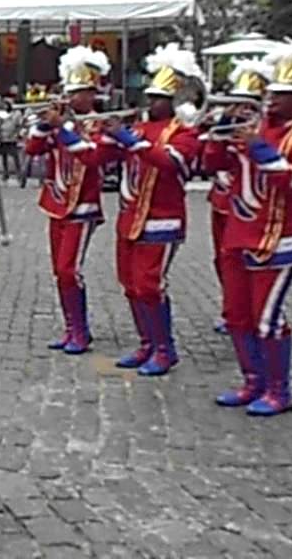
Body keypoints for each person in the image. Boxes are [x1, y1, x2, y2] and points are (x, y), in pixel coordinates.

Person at [203, 38, 292, 416]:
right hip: (238, 235)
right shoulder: (251, 127)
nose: (272, 99)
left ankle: (279, 390)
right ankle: (252, 382)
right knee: (236, 313)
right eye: (272, 92)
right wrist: (220, 131)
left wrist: (259, 147)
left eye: (284, 94)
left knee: (267, 317)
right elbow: (214, 167)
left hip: (280, 241)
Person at [103, 44, 201, 376]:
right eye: (151, 95)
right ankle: (146, 344)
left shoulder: (186, 133)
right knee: (130, 285)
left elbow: (169, 162)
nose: (151, 102)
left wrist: (128, 139)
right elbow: (97, 159)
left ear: (174, 101)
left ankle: (165, 348)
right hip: (129, 217)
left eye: (159, 97)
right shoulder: (140, 128)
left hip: (162, 219)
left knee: (150, 286)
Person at [26, 47, 111, 355]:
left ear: (92, 94)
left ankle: (81, 330)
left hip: (83, 206)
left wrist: (61, 127)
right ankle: (71, 327)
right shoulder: (62, 122)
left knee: (68, 270)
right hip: (56, 202)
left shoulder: (100, 123)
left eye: (81, 92)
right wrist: (45, 124)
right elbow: (33, 149)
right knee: (58, 270)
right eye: (71, 92)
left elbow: (91, 155)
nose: (74, 98)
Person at [202, 61, 269, 335]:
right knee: (222, 260)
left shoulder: (265, 131)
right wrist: (224, 122)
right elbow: (210, 163)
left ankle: (257, 310)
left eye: (249, 104)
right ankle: (232, 310)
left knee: (252, 263)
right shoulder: (227, 127)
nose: (243, 110)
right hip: (222, 200)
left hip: (253, 207)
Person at [0, 100, 23, 182]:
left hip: (12, 138)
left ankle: (19, 174)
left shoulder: (15, 114)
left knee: (15, 156)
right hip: (3, 138)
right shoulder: (1, 115)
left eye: (6, 105)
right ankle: (5, 173)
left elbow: (19, 125)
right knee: (4, 157)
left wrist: (17, 134)